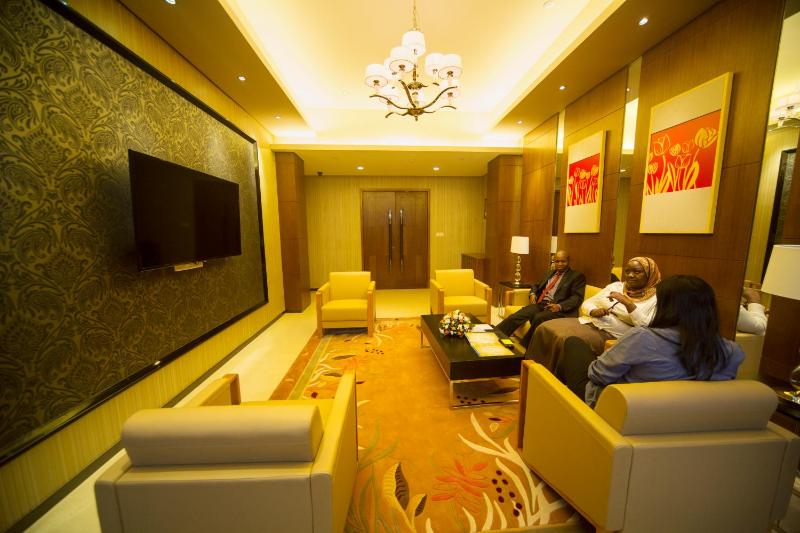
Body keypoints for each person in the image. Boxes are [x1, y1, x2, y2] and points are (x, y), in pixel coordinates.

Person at [556, 275, 744, 406]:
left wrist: (602, 360)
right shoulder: (731, 352)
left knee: (574, 344)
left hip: (621, 409)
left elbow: (598, 375)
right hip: (683, 419)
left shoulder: (643, 338)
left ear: (666, 305)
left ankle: (565, 407)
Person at [527, 256, 661, 371]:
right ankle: (531, 370)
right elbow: (588, 303)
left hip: (614, 334)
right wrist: (593, 311)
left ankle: (553, 380)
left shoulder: (656, 298)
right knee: (546, 327)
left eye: (637, 272)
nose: (630, 275)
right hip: (591, 321)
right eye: (627, 271)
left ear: (649, 274)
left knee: (563, 339)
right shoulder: (616, 286)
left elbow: (645, 327)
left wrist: (628, 303)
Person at [495, 250, 586, 347]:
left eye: (563, 261)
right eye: (557, 261)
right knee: (517, 316)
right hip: (541, 304)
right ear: (554, 261)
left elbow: (577, 298)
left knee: (538, 318)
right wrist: (532, 293)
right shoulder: (549, 273)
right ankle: (495, 334)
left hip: (558, 309)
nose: (560, 264)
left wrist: (559, 306)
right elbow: (536, 285)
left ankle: (523, 347)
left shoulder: (576, 276)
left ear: (568, 261)